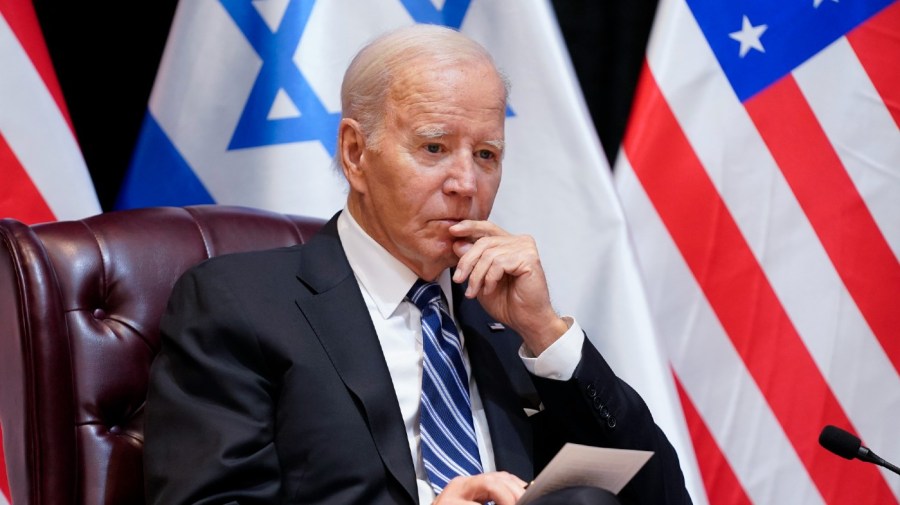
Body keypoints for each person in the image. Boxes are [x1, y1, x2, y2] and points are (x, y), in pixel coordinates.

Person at [143, 24, 691, 505]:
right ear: (356, 153)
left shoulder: (503, 319)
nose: (465, 185)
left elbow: (657, 493)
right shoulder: (240, 305)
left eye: (486, 155)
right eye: (433, 148)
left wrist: (546, 333)